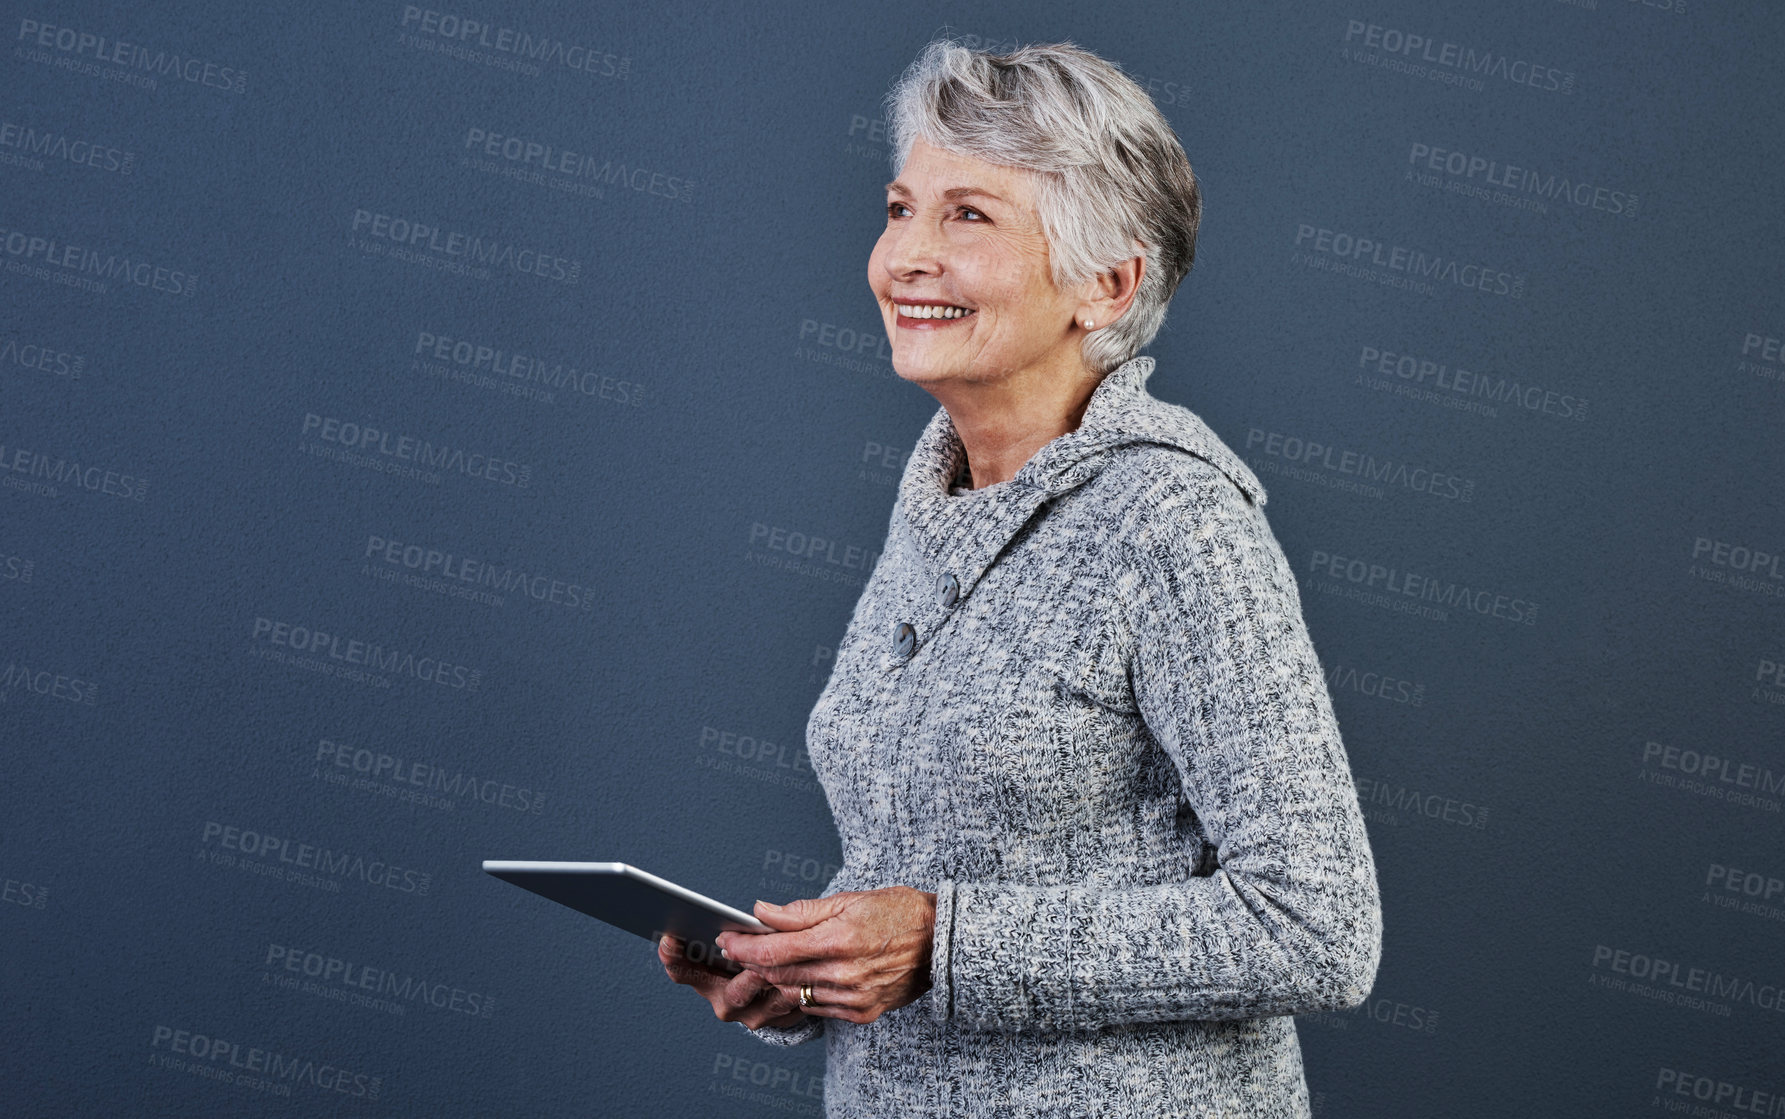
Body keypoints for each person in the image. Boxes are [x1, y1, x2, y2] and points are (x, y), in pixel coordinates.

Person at [658, 37, 1382, 1117]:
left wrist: (944, 943)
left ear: (1109, 284)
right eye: (902, 207)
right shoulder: (944, 497)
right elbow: (942, 867)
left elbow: (1319, 927)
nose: (906, 253)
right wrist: (817, 971)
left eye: (970, 216)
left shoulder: (1175, 526)